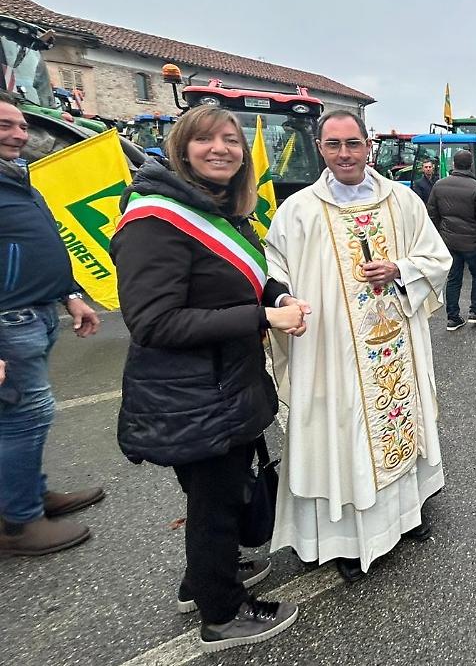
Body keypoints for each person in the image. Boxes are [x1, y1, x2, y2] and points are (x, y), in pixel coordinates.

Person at [111, 105, 309, 652]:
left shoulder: (216, 210)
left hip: (217, 386)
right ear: (182, 147)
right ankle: (222, 616)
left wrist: (275, 294)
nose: (221, 148)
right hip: (194, 392)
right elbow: (154, 321)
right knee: (215, 504)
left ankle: (201, 583)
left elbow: (239, 277)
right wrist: (262, 317)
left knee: (215, 498)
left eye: (231, 140)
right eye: (206, 140)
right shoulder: (156, 221)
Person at [265, 110, 451, 584]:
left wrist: (400, 270)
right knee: (340, 434)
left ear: (368, 145)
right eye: (333, 145)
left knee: (397, 423)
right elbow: (273, 268)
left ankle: (404, 516)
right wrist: (284, 299)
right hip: (330, 348)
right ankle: (346, 540)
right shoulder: (299, 210)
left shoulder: (402, 201)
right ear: (321, 149)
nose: (344, 154)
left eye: (353, 143)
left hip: (395, 346)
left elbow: (436, 258)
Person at [0, 95, 104, 559]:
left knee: (21, 417)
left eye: (21, 126)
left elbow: (42, 242)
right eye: (5, 126)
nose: (19, 135)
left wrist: (71, 295)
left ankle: (28, 495)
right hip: (8, 320)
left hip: (36, 310)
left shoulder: (19, 179)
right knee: (26, 415)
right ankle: (19, 523)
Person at [426, 149, 476, 330]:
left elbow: (431, 214)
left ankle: (453, 318)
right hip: (472, 243)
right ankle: (474, 312)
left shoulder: (439, 185)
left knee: (454, 278)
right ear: (470, 165)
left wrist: (442, 233)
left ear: (453, 164)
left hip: (449, 242)